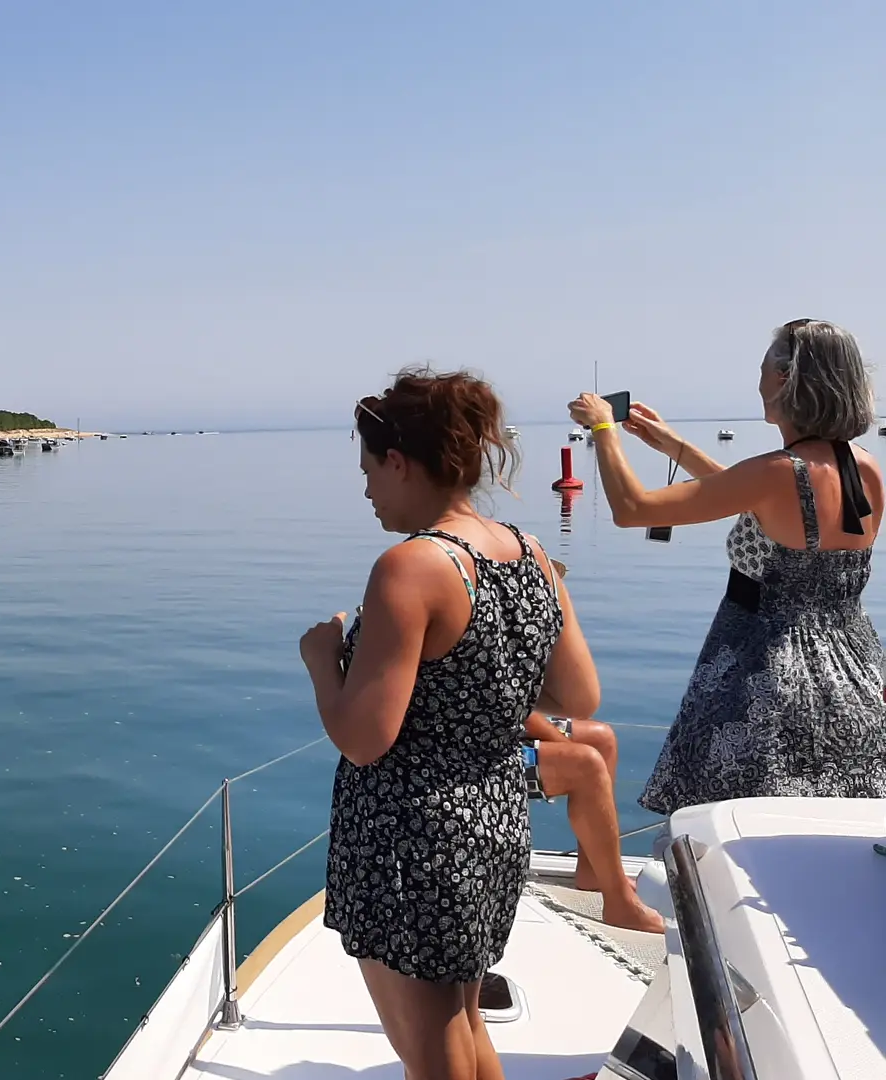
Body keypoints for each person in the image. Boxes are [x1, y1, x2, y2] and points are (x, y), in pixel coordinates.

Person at [301, 367, 599, 1080]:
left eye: (370, 469)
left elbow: (364, 737)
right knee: (463, 1021)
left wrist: (321, 663)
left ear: (400, 463)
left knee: (432, 1050)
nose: (368, 488)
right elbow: (577, 695)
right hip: (493, 819)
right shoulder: (529, 555)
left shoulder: (411, 568)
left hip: (416, 834)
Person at [568, 318, 886, 815]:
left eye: (762, 369)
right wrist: (673, 445)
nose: (757, 381)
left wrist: (605, 428)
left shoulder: (775, 474)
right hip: (853, 675)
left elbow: (633, 508)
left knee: (741, 830)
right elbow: (761, 504)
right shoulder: (863, 467)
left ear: (784, 378)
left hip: (766, 678)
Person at [521, 712, 663, 933]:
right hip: (465, 749)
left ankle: (594, 872)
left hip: (503, 723)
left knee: (600, 738)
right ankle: (620, 906)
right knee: (585, 763)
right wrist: (564, 746)